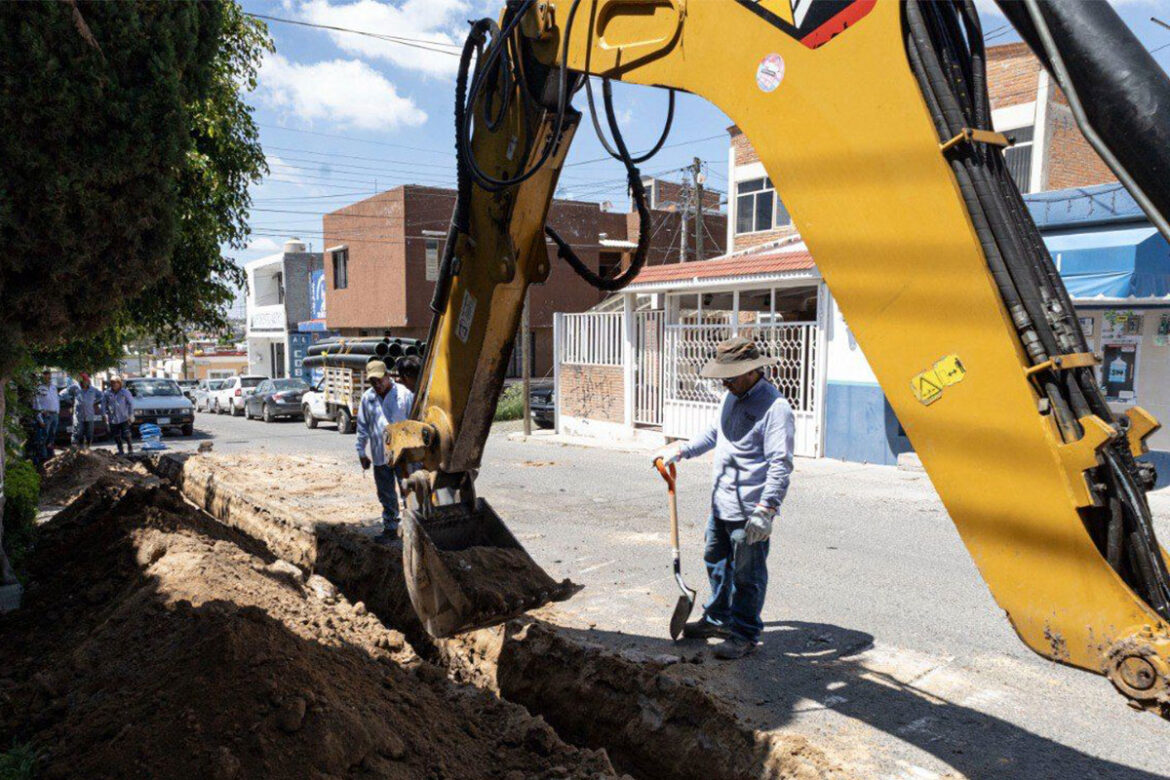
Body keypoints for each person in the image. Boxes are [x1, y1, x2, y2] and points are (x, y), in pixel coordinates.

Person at [653, 336, 795, 660]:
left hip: (750, 510)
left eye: (729, 377)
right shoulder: (731, 396)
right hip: (721, 503)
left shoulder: (776, 408)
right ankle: (718, 618)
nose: (724, 383)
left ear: (750, 371)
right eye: (722, 377)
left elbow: (780, 464)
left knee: (748, 576)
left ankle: (745, 634)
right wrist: (680, 449)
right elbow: (714, 434)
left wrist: (767, 509)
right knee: (715, 560)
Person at [355, 359, 414, 539]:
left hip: (403, 455)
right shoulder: (368, 397)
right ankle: (390, 528)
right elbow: (362, 426)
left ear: (388, 376)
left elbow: (414, 422)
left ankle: (412, 529)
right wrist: (361, 452)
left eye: (380, 380)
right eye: (373, 382)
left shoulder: (404, 395)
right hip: (380, 454)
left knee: (408, 491)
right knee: (386, 493)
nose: (377, 384)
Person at [30, 369, 60, 467]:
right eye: (46, 375)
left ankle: (51, 455)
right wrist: (40, 419)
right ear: (42, 377)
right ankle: (44, 457)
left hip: (54, 414)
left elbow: (56, 400)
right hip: (45, 416)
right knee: (44, 437)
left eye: (49, 375)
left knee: (52, 435)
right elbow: (36, 404)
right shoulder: (39, 388)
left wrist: (57, 411)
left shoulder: (53, 387)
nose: (48, 377)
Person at [103, 376, 134, 455]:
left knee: (126, 434)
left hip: (124, 417)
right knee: (116, 436)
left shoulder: (125, 392)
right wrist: (104, 415)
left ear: (120, 384)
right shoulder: (107, 393)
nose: (115, 385)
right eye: (113, 383)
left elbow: (131, 404)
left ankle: (130, 447)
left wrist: (131, 415)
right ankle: (120, 450)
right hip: (113, 418)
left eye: (116, 383)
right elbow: (103, 405)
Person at [71, 373, 102, 450]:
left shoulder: (93, 389)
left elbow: (101, 396)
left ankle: (87, 448)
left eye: (86, 380)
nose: (85, 382)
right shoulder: (75, 388)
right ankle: (80, 449)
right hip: (79, 416)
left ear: (88, 381)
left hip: (89, 415)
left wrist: (94, 402)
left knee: (89, 433)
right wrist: (71, 401)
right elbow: (63, 394)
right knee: (79, 433)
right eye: (83, 381)